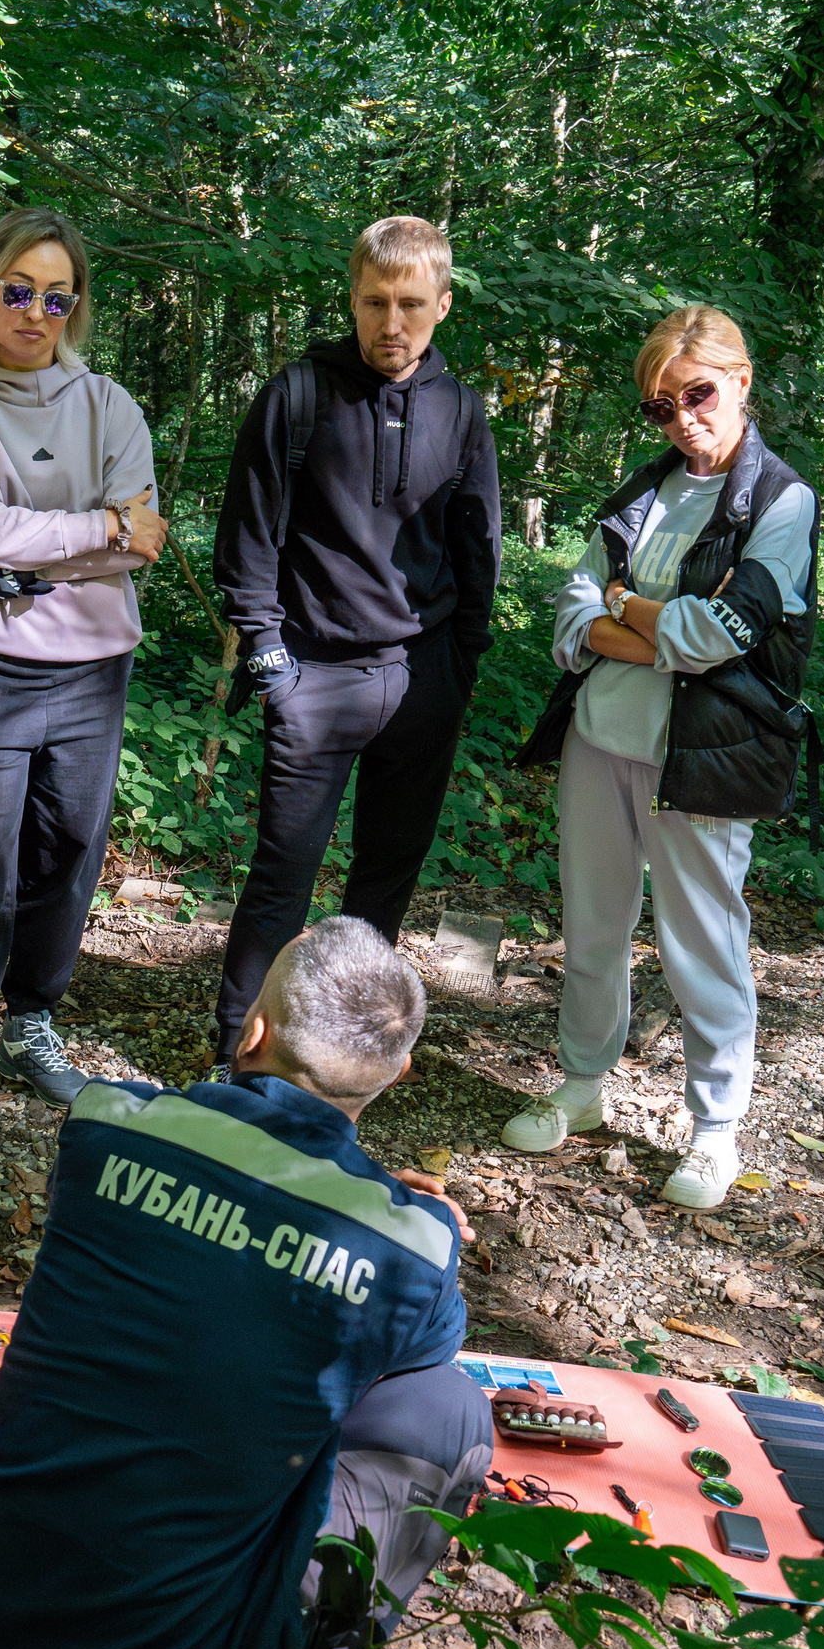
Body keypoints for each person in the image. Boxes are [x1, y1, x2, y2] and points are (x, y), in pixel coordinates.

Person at [0, 917, 485, 1649]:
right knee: (444, 1410)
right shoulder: (410, 1242)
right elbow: (421, 1359)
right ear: (394, 1078)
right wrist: (427, 1235)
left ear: (250, 1033)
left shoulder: (105, 1123)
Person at [502, 305, 816, 1212]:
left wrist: (629, 613)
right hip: (599, 740)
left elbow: (724, 630)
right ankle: (582, 1086)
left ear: (741, 382)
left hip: (705, 758)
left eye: (699, 395)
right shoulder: (639, 496)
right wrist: (649, 621)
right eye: (660, 406)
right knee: (593, 924)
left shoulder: (779, 501)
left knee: (703, 945)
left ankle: (715, 1131)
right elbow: (570, 624)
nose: (683, 419)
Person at [208, 217, 501, 1075]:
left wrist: (461, 665)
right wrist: (269, 656)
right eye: (376, 302)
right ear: (353, 298)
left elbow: (476, 544)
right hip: (315, 674)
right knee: (282, 875)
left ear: (442, 305)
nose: (392, 323)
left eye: (412, 304)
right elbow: (249, 537)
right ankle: (237, 1055)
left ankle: (339, 1065)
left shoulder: (461, 410)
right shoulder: (299, 395)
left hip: (423, 673)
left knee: (386, 877)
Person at [0, 209, 165, 1171]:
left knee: (67, 858)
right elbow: (1, 530)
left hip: (92, 672)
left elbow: (134, 535)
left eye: (58, 297)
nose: (36, 312)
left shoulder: (110, 405)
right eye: (19, 290)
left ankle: (32, 1022)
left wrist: (9, 551)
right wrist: (90, 532)